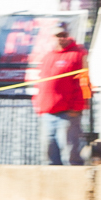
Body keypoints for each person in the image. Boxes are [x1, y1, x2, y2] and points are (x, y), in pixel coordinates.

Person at [33, 22, 88, 165]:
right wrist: (39, 104)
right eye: (58, 35)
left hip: (67, 114)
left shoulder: (78, 54)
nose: (60, 38)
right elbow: (41, 82)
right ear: (52, 37)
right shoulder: (48, 56)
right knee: (49, 154)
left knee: (70, 154)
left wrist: (77, 107)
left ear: (68, 35)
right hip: (48, 113)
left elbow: (84, 82)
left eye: (63, 35)